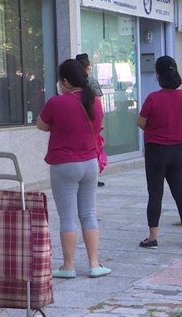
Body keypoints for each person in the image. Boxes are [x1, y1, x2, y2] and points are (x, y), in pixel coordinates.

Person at [36, 59, 111, 279]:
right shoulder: (95, 102)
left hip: (64, 165)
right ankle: (94, 264)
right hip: (90, 164)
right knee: (89, 214)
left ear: (66, 81)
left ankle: (68, 266)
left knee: (68, 217)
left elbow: (41, 125)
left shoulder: (56, 103)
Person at [137, 56, 182, 249]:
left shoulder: (154, 98)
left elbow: (141, 122)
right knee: (181, 192)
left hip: (156, 151)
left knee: (155, 194)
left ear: (158, 74)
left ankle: (152, 237)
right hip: (178, 151)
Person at [76, 53, 106, 187]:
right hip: (92, 119)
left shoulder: (73, 82)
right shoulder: (92, 81)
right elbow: (99, 101)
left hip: (77, 120)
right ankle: (92, 175)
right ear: (87, 67)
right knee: (94, 148)